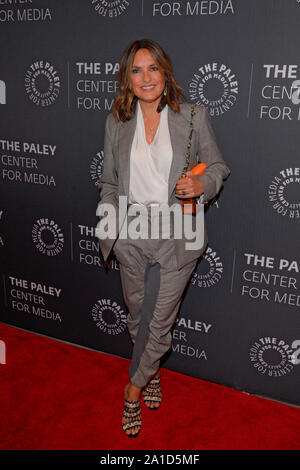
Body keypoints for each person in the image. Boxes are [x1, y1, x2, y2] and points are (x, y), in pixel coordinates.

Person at [96, 38, 230, 438]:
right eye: (136, 70)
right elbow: (108, 181)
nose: (146, 77)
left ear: (165, 73)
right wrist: (110, 231)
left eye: (152, 68)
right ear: (127, 79)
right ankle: (150, 372)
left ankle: (133, 389)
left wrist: (201, 183)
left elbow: (219, 166)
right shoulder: (116, 122)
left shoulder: (192, 116)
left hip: (176, 232)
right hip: (131, 233)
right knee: (138, 316)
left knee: (160, 321)